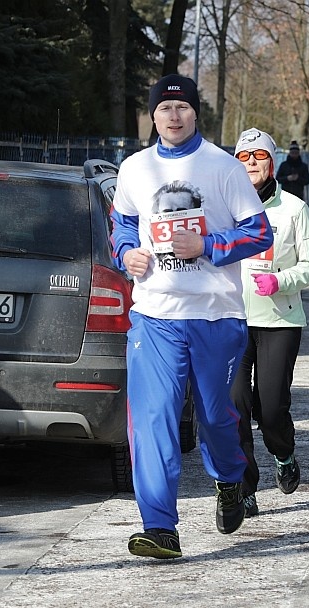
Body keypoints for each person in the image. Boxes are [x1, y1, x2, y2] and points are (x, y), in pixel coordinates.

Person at [110, 74, 273, 559]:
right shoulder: (134, 169)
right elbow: (121, 226)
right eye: (164, 109)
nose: (173, 117)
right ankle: (160, 527)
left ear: (194, 114)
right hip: (155, 315)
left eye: (181, 108)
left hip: (215, 314)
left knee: (216, 418)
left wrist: (208, 245)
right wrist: (126, 255)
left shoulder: (224, 168)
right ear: (153, 115)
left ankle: (229, 479)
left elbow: (258, 233)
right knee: (153, 418)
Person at [229, 128, 309, 517]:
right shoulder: (223, 207)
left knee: (271, 409)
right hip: (231, 319)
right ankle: (244, 488)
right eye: (243, 157)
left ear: (273, 161)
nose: (251, 163)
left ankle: (283, 455)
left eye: (259, 156)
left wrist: (281, 281)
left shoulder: (294, 209)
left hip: (279, 321)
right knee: (235, 406)